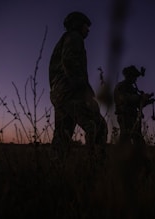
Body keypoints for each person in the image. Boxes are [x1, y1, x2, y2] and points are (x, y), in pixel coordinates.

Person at [49, 11, 107, 149]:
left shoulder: (63, 40)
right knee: (99, 126)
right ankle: (95, 165)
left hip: (60, 94)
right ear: (78, 25)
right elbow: (70, 62)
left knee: (62, 135)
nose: (88, 29)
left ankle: (56, 168)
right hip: (72, 92)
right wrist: (85, 91)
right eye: (86, 26)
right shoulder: (74, 37)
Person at [114, 65, 154, 145]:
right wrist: (140, 97)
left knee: (138, 139)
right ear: (129, 76)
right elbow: (124, 98)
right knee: (126, 139)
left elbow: (137, 104)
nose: (136, 79)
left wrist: (147, 101)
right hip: (125, 115)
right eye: (134, 77)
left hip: (133, 116)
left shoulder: (131, 88)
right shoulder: (121, 86)